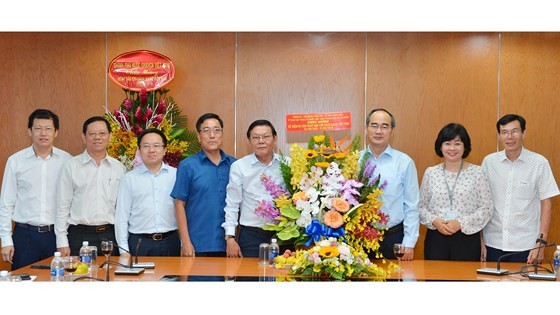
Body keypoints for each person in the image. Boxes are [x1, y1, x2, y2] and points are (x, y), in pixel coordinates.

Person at [481, 114, 559, 264]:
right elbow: (481, 203)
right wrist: (480, 241)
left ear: (523, 133)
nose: (509, 137)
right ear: (499, 135)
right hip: (492, 243)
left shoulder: (539, 163)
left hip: (526, 246)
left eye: (514, 131)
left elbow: (546, 203)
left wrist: (541, 244)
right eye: (504, 132)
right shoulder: (489, 162)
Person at [0, 109, 72, 270]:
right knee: (23, 284)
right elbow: (6, 203)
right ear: (29, 131)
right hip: (25, 235)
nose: (43, 133)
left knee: (60, 284)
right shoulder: (16, 161)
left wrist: (64, 240)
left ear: (56, 132)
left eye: (48, 129)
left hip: (56, 235)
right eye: (38, 128)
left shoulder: (67, 161)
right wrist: (6, 240)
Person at [419, 123, 493, 261]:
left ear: (465, 147)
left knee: (464, 281)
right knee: (435, 280)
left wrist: (461, 223)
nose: (452, 148)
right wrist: (434, 220)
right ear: (440, 146)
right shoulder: (431, 173)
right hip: (436, 238)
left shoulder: (477, 172)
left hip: (467, 237)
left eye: (457, 143)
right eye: (447, 143)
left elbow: (486, 208)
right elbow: (421, 207)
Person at [55, 116, 126, 256]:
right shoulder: (71, 166)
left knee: (110, 275)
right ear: (84, 137)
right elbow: (62, 205)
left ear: (110, 136)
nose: (97, 138)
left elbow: (122, 208)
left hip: (110, 235)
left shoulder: (119, 168)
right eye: (92, 134)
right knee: (79, 276)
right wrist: (61, 241)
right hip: (79, 236)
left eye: (102, 133)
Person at [171, 113, 236, 257]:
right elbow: (179, 205)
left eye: (216, 130)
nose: (212, 135)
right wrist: (186, 243)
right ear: (199, 136)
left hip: (230, 245)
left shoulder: (235, 165)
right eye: (206, 130)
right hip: (198, 245)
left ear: (222, 134)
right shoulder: (187, 166)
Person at [359, 108, 420, 260]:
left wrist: (409, 243)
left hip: (393, 237)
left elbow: (412, 205)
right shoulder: (354, 160)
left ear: (392, 131)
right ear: (366, 129)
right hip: (360, 237)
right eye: (374, 125)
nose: (378, 131)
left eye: (384, 126)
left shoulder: (404, 162)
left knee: (394, 282)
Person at [222, 119, 288, 258]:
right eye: (256, 137)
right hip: (251, 235)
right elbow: (232, 204)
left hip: (284, 234)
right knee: (249, 277)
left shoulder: (288, 164)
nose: (261, 141)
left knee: (284, 277)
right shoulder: (239, 166)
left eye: (266, 136)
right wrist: (230, 237)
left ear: (275, 138)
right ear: (249, 141)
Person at [115, 128, 180, 258]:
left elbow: (184, 211)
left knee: (172, 278)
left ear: (165, 150)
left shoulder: (176, 175)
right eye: (146, 146)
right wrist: (123, 251)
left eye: (156, 146)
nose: (151, 150)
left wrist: (184, 243)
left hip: (171, 241)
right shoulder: (129, 178)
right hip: (139, 243)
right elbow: (121, 216)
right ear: (139, 150)